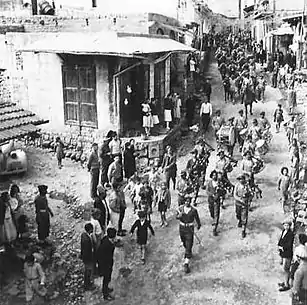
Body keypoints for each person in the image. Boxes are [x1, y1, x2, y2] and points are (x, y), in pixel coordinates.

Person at [176, 197, 201, 274]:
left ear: (190, 202)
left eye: (188, 201)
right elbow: (176, 217)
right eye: (186, 201)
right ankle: (188, 252)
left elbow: (197, 219)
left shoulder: (194, 210)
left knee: (189, 244)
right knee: (184, 243)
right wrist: (179, 216)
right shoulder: (180, 209)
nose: (187, 202)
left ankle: (186, 263)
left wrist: (198, 225)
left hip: (190, 229)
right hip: (182, 228)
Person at [97, 227, 117, 301]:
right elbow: (101, 256)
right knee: (106, 279)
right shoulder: (106, 245)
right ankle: (105, 294)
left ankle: (106, 289)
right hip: (105, 265)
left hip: (108, 263)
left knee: (108, 278)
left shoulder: (106, 239)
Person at [278, 219, 294, 292]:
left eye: (287, 225)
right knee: (284, 269)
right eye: (285, 225)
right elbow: (281, 240)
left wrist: (282, 247)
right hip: (283, 253)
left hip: (287, 254)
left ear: (289, 226)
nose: (286, 227)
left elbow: (289, 245)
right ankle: (285, 282)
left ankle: (287, 285)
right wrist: (279, 246)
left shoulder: (290, 234)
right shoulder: (284, 231)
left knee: (286, 269)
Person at [205, 170, 222, 236]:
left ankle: (215, 228)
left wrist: (219, 191)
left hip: (217, 200)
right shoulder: (209, 183)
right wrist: (212, 195)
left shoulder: (219, 183)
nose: (214, 176)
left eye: (216, 175)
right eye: (213, 175)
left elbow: (222, 191)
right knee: (211, 212)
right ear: (211, 176)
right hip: (210, 200)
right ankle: (214, 219)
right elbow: (207, 191)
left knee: (216, 213)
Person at [80, 223, 95, 291]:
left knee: (87, 270)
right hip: (88, 258)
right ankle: (87, 285)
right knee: (88, 271)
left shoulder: (83, 235)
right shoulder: (87, 239)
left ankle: (87, 283)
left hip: (85, 257)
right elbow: (87, 251)